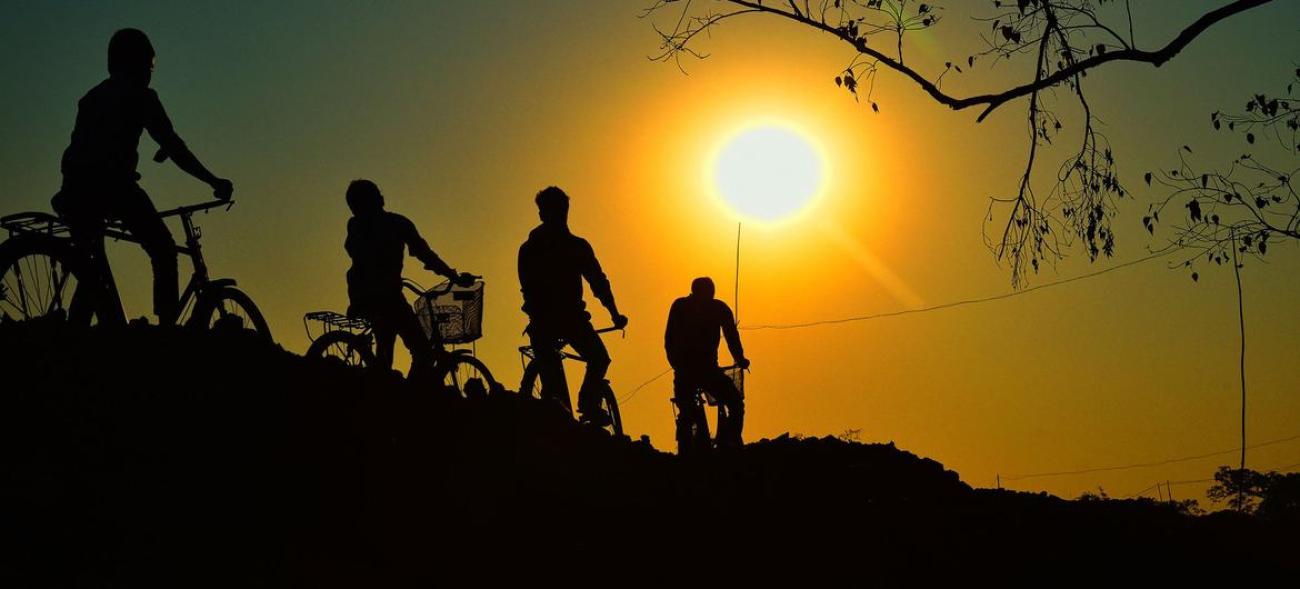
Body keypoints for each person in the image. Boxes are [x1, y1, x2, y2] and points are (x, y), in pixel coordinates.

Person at [53, 28, 234, 326]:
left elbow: (92, 140)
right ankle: (165, 335)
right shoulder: (142, 97)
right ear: (136, 64)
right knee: (163, 249)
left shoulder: (92, 97)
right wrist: (213, 181)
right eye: (149, 67)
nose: (150, 75)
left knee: (91, 270)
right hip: (111, 186)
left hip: (73, 189)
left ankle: (78, 336)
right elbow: (175, 147)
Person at [518, 186, 628, 425]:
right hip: (570, 320)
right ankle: (588, 404)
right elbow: (599, 284)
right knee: (599, 359)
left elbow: (526, 288)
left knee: (553, 383)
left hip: (543, 321)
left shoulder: (528, 248)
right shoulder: (576, 246)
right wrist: (615, 314)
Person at [344, 179, 475, 377]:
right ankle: (412, 397)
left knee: (384, 347)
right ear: (378, 199)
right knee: (423, 351)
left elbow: (355, 253)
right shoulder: (397, 224)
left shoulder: (354, 225)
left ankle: (385, 387)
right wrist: (452, 275)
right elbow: (424, 254)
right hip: (388, 296)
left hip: (360, 293)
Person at [665, 277, 750, 449]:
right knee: (735, 403)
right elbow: (732, 337)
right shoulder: (718, 308)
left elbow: (668, 339)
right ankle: (733, 442)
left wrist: (676, 364)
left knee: (686, 411)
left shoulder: (680, 306)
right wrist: (741, 359)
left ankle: (687, 447)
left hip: (687, 370)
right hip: (706, 371)